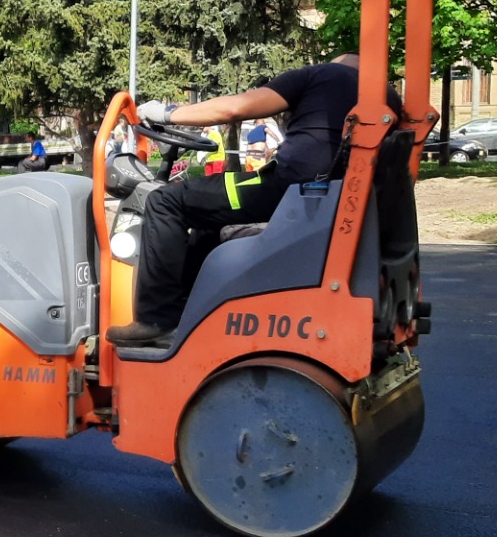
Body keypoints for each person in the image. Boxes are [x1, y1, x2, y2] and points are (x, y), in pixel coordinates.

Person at [106, 53, 395, 347]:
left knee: (163, 202)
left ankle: (157, 319)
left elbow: (234, 109)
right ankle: (195, 307)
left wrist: (168, 114)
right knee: (207, 215)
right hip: (327, 196)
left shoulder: (319, 75)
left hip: (287, 189)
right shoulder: (387, 97)